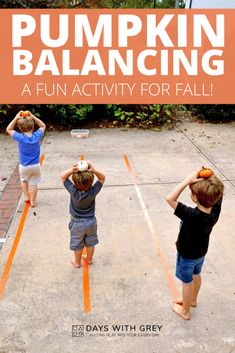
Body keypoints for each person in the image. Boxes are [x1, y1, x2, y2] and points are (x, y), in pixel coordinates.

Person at [166, 168, 224, 320]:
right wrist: (209, 178)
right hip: (200, 253)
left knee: (187, 282)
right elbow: (218, 190)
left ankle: (185, 311)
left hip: (186, 255)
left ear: (195, 197)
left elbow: (170, 198)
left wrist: (188, 180)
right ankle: (192, 300)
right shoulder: (214, 211)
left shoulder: (191, 215)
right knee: (196, 274)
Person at [61, 162, 105, 268]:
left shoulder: (73, 190)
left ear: (75, 183)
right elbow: (102, 178)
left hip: (76, 223)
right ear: (91, 182)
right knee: (90, 242)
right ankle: (89, 260)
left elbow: (63, 177)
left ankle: (77, 262)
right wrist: (94, 171)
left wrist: (72, 170)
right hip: (90, 222)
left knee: (77, 244)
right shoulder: (93, 191)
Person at [6, 111, 46, 207]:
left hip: (24, 166)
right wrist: (33, 116)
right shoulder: (37, 136)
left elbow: (9, 129)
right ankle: (32, 201)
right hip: (35, 165)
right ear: (33, 127)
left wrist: (16, 117)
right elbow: (43, 126)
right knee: (33, 184)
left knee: (24, 181)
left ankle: (26, 197)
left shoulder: (20, 137)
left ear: (20, 128)